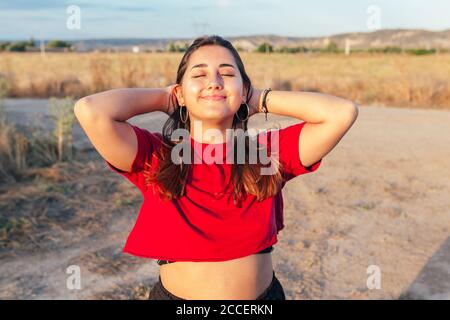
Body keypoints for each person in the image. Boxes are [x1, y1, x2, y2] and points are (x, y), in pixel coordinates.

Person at [74, 35, 358, 300]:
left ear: (244, 89)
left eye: (228, 74)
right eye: (199, 75)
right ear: (180, 93)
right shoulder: (157, 155)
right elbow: (91, 110)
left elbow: (340, 113)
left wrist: (257, 98)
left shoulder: (266, 153)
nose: (214, 82)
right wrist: (166, 99)